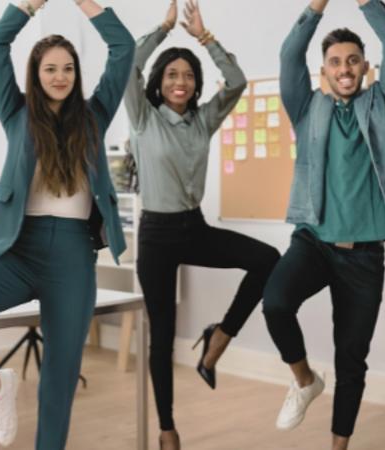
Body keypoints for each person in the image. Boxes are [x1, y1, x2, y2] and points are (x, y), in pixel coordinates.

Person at [0, 0, 134, 449]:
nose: (59, 76)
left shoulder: (95, 116)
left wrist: (86, 5)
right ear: (35, 75)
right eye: (50, 68)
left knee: (58, 381)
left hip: (74, 256)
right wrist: (24, 7)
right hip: (19, 249)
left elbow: (123, 47)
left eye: (68, 69)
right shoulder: (16, 113)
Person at [262, 1, 385, 449]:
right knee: (275, 302)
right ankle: (304, 380)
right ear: (323, 72)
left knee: (352, 361)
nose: (344, 68)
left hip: (365, 255)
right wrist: (316, 7)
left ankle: (338, 446)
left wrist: (368, 2)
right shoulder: (306, 108)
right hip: (314, 241)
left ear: (365, 66)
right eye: (335, 62)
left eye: (352, 60)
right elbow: (289, 55)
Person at [124, 1, 279, 448]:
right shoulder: (142, 116)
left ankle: (220, 336)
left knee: (267, 259)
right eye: (172, 74)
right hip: (156, 235)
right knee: (162, 337)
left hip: (194, 229)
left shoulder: (203, 120)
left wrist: (204, 40)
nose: (180, 82)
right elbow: (129, 64)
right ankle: (167, 428)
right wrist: (164, 28)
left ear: (195, 86)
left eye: (188, 76)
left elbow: (236, 82)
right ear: (160, 81)